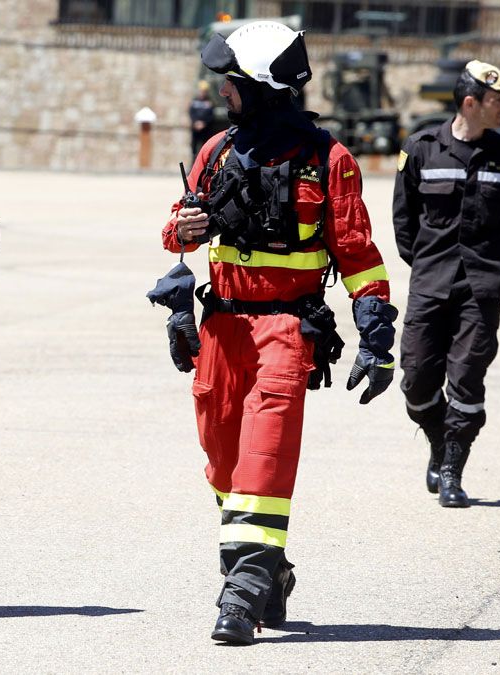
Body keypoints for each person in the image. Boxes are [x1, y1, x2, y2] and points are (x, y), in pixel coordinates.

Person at [163, 21, 395, 644]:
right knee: (222, 460)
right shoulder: (215, 151)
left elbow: (358, 254)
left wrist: (376, 336)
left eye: (231, 82)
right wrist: (182, 234)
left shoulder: (330, 160)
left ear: (262, 87)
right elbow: (175, 231)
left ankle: (240, 592)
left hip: (288, 330)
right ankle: (272, 573)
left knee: (265, 456)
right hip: (220, 328)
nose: (222, 92)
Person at [392, 61, 500, 508]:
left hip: (481, 287)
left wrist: (493, 269)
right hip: (430, 283)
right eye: (498, 100)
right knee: (415, 380)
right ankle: (437, 439)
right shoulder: (420, 149)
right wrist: (427, 265)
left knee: (467, 379)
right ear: (471, 103)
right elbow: (404, 220)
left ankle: (452, 467)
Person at [189, 79, 215, 160]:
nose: (202, 93)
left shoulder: (210, 102)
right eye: (201, 91)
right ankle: (193, 164)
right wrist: (195, 122)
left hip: (205, 129)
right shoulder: (194, 101)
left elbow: (211, 115)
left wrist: (204, 123)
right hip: (195, 128)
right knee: (194, 148)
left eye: (204, 91)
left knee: (204, 147)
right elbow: (191, 113)